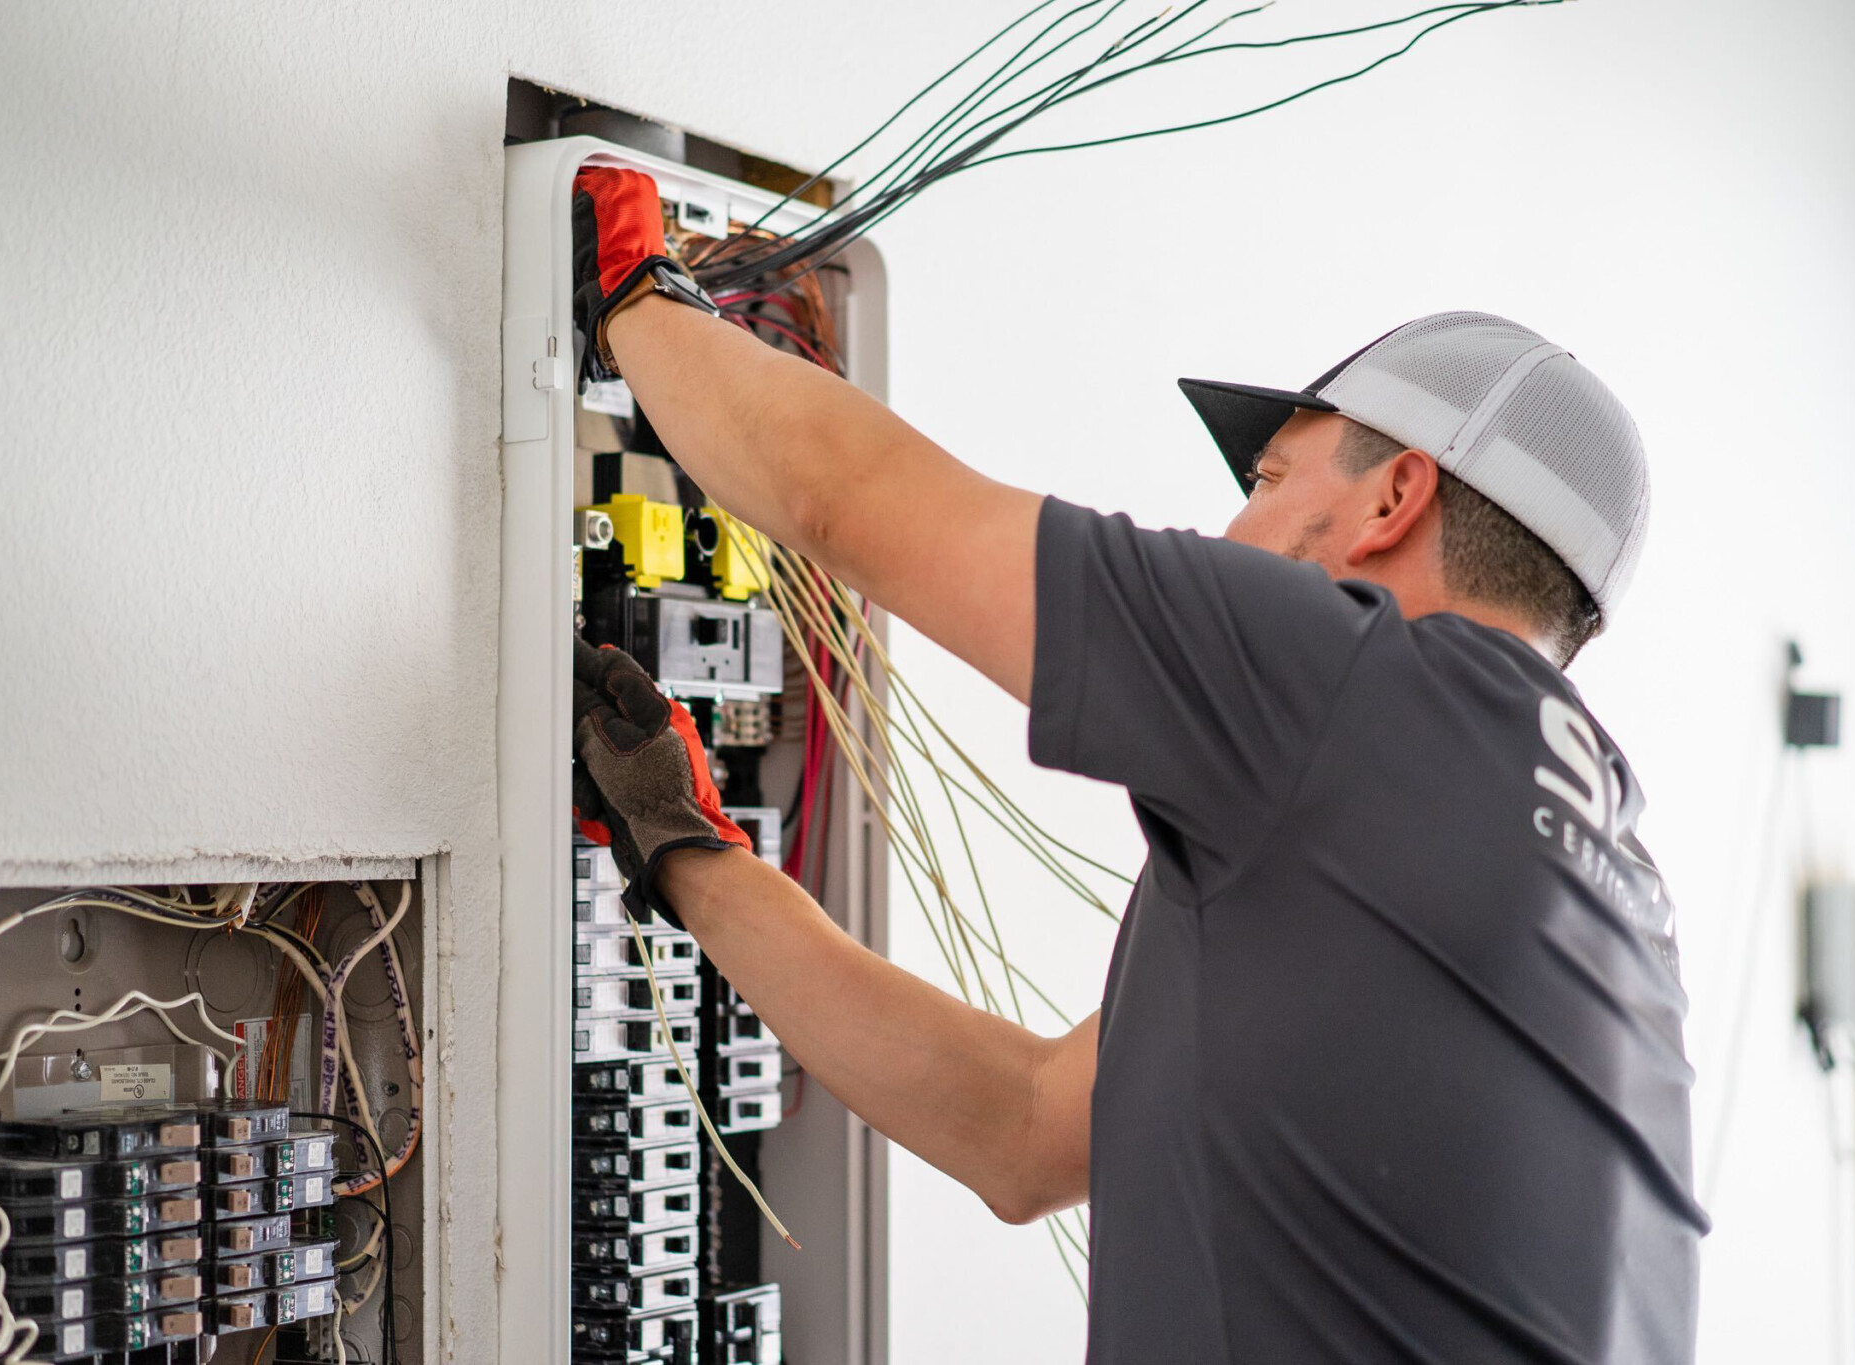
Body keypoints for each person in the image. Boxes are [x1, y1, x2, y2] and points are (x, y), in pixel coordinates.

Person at [566, 167, 1708, 1364]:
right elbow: (1017, 1132)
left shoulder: (1359, 687)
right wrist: (688, 854)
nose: (1230, 536)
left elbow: (843, 500)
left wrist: (632, 294)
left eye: (1266, 482)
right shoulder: (1592, 870)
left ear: (1394, 495)